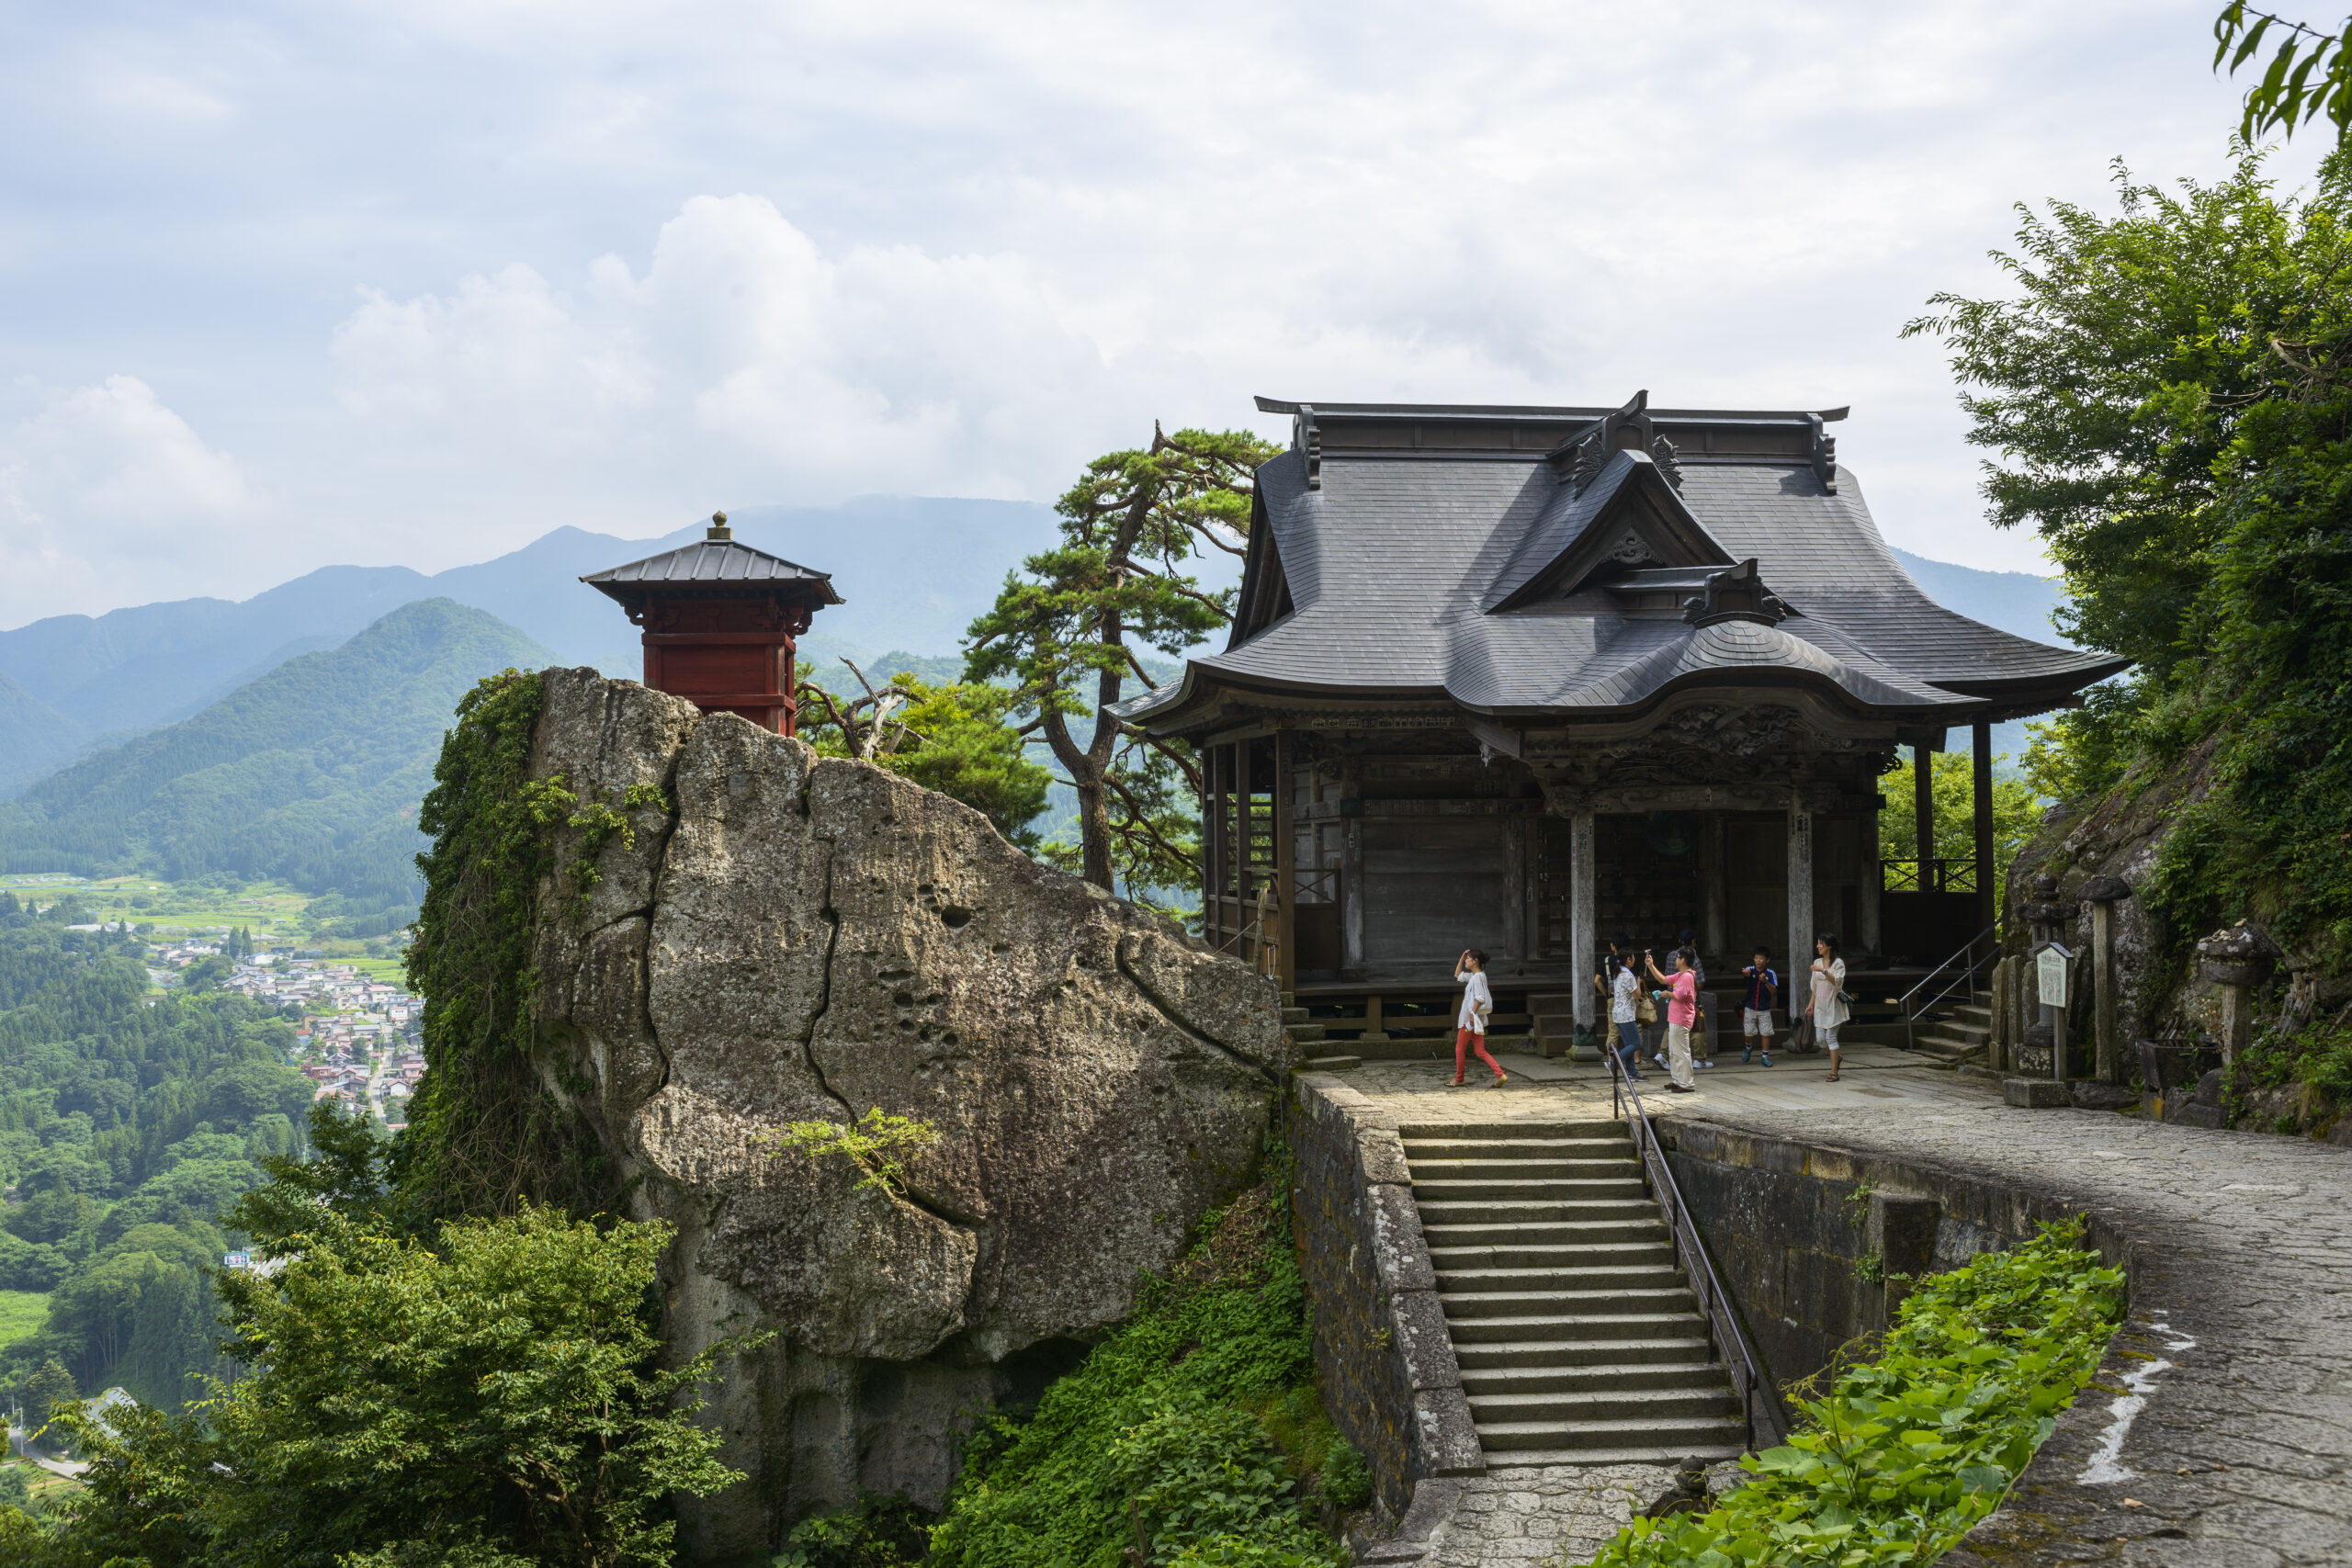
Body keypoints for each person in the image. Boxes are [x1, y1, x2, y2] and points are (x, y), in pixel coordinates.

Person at [1643, 946, 1701, 1092]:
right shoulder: (1681, 975)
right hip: (1676, 1018)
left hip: (1682, 1018)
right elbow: (1662, 979)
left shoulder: (1687, 976)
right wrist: (1651, 965)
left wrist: (1665, 994)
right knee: (1675, 1052)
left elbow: (1678, 995)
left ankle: (1686, 1083)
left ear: (1684, 960)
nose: (1676, 960)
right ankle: (1678, 1080)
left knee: (1681, 1052)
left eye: (1678, 958)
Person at [1452, 948, 1506, 1089]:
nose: (1466, 960)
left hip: (1469, 1022)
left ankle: (1459, 1079)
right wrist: (1461, 957)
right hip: (1474, 1021)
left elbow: (1480, 998)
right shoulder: (1474, 976)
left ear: (1475, 961)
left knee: (1459, 1049)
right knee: (1480, 1051)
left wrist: (1471, 1015)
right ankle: (1500, 1074)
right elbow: (1457, 975)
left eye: (1468, 958)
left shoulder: (1478, 977)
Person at [1807, 932, 1849, 1082]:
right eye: (1818, 943)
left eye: (1821, 943)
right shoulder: (1817, 961)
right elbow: (1815, 987)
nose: (1818, 946)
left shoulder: (1838, 963)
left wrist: (1823, 971)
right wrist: (1810, 1005)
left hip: (1833, 1006)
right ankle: (1836, 1057)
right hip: (1820, 1007)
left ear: (1829, 946)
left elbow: (1837, 982)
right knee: (1820, 1040)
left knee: (1831, 1038)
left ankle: (1834, 1073)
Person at [1604, 936, 1645, 1082]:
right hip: (1626, 1014)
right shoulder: (1628, 975)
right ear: (1629, 959)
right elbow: (1637, 996)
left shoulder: (1618, 972)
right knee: (1636, 1043)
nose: (1634, 959)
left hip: (1618, 1013)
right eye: (1633, 957)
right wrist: (1638, 981)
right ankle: (1613, 1062)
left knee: (1629, 1043)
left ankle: (1632, 1072)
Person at [1739, 945, 1778, 1066]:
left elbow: (1773, 990)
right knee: (1749, 1031)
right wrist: (1746, 975)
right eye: (1756, 958)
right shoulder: (1750, 970)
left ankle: (1765, 1056)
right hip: (1750, 1006)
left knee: (1766, 1032)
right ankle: (1748, 1047)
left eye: (1761, 958)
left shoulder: (1770, 973)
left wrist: (1765, 981)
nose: (1758, 960)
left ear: (1767, 960)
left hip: (1764, 1008)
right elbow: (1745, 978)